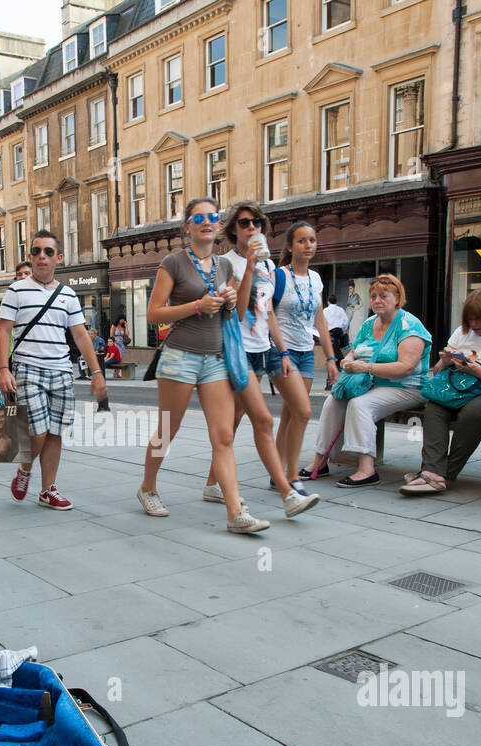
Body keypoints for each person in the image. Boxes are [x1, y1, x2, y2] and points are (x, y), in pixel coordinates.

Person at [133, 198, 270, 533]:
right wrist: (197, 305)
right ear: (187, 226)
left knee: (223, 436)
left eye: (212, 216)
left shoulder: (224, 266)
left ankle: (235, 513)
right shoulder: (173, 262)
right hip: (180, 356)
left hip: (216, 358)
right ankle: (147, 487)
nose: (207, 222)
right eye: (199, 218)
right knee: (168, 430)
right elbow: (154, 313)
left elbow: (235, 315)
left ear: (218, 224)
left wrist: (232, 297)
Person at [202, 201, 318, 518]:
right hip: (237, 351)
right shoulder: (226, 263)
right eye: (244, 223)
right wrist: (249, 267)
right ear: (233, 229)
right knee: (263, 420)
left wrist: (282, 351)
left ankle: (212, 483)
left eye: (256, 222)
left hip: (262, 350)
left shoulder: (268, 265)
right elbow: (237, 312)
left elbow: (267, 312)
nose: (251, 227)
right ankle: (288, 491)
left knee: (235, 421)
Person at [0, 230, 107, 510]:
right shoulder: (16, 290)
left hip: (61, 371)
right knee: (38, 432)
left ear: (59, 257)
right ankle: (24, 468)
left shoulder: (68, 294)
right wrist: (3, 368)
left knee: (55, 432)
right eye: (36, 251)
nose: (41, 256)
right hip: (28, 368)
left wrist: (96, 373)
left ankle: (48, 490)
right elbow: (3, 330)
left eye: (48, 251)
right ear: (30, 256)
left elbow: (80, 335)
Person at [301, 273, 431, 488]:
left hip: (407, 387)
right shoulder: (370, 323)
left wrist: (367, 367)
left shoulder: (410, 326)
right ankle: (320, 460)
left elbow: (405, 367)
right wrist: (348, 360)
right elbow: (354, 350)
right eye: (373, 296)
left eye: (384, 296)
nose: (377, 300)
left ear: (397, 299)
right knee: (333, 400)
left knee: (360, 404)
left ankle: (366, 468)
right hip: (371, 383)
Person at [400, 288, 481, 494]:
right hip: (463, 384)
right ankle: (432, 471)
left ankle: (442, 474)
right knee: (435, 405)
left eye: (479, 319)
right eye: (470, 320)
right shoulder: (463, 331)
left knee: (474, 410)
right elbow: (438, 371)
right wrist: (446, 360)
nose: (475, 325)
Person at [268, 222, 338, 487]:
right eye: (302, 241)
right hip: (281, 352)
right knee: (303, 411)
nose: (308, 245)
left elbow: (320, 319)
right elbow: (268, 313)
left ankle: (278, 474)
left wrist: (330, 358)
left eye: (312, 240)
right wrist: (283, 351)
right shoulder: (278, 276)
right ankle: (291, 476)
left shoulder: (315, 278)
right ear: (290, 246)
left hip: (306, 352)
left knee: (291, 414)